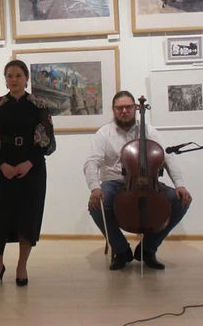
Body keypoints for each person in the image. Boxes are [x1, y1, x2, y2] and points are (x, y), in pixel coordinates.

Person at [83, 91, 192, 271]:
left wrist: (180, 185)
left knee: (181, 201)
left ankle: (147, 249)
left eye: (128, 107)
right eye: (119, 108)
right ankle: (121, 250)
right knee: (97, 206)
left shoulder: (148, 130)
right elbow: (91, 162)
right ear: (113, 110)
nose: (124, 111)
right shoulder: (104, 133)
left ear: (135, 108)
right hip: (114, 182)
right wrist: (95, 188)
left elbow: (167, 157)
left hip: (148, 182)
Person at [0, 60, 56, 287]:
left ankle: (22, 266)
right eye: (9, 76)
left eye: (18, 76)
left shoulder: (39, 105)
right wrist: (2, 164)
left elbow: (45, 137)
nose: (13, 80)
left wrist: (29, 163)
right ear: (5, 79)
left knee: (27, 217)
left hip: (31, 168)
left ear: (26, 79)